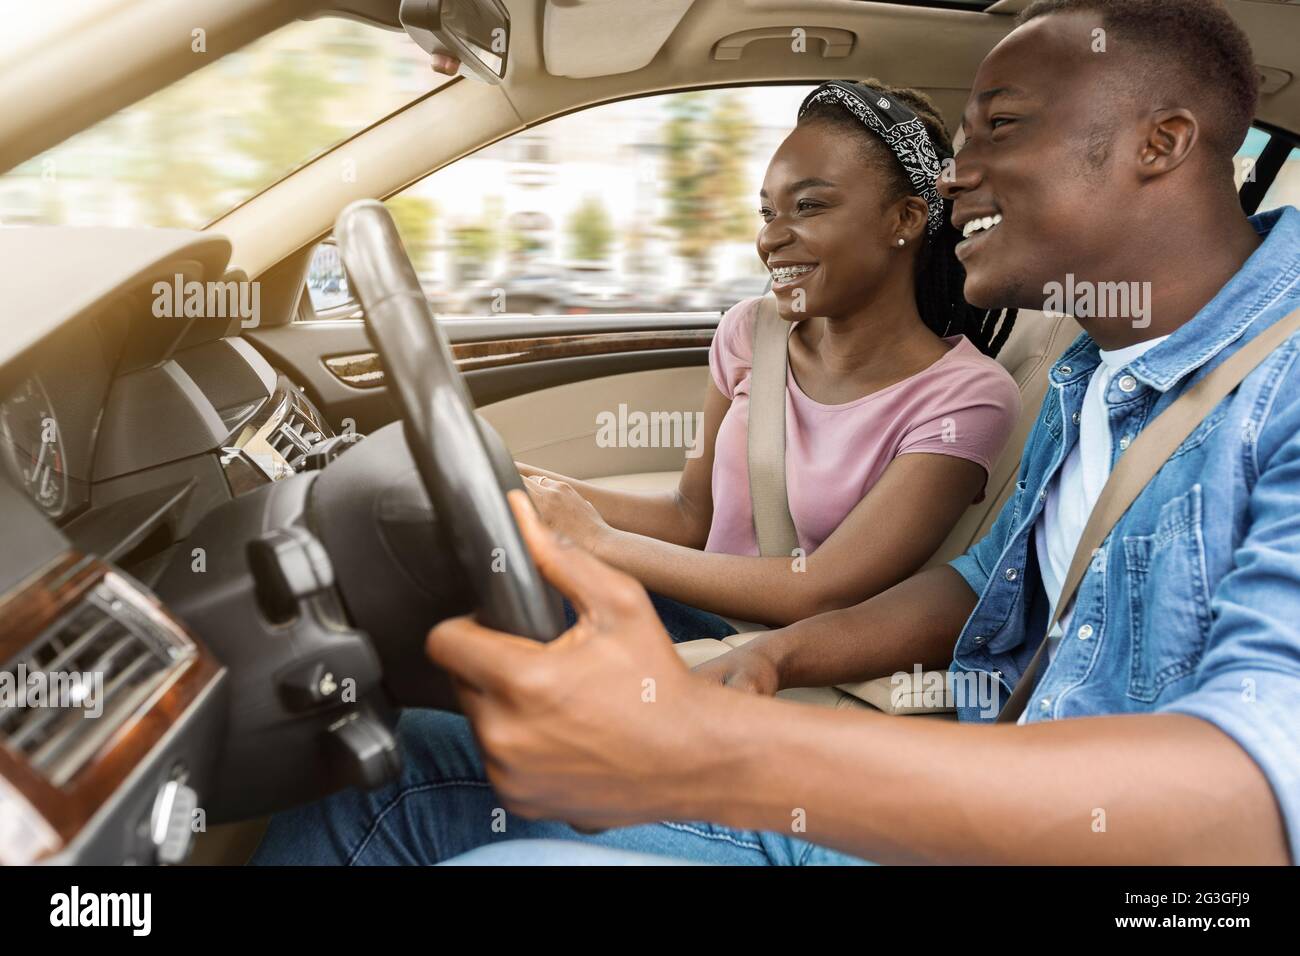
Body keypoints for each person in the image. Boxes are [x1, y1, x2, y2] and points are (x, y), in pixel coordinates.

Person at [252, 0, 1297, 866]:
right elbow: (985, 582)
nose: (951, 173)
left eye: (1001, 128)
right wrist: (771, 663)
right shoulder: (1095, 364)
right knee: (385, 773)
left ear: (1161, 143)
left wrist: (715, 743)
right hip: (953, 779)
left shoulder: (1277, 377)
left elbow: (1252, 803)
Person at [517, 80, 1018, 638]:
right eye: (766, 211)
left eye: (808, 206)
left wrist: (597, 542)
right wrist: (519, 484)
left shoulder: (966, 397)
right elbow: (688, 516)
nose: (770, 238)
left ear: (904, 219)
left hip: (776, 661)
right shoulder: (750, 331)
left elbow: (820, 590)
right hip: (694, 623)